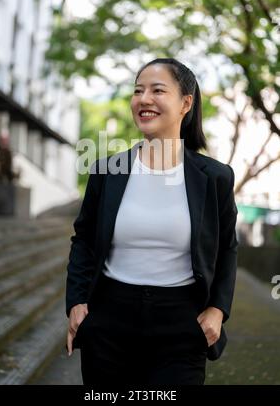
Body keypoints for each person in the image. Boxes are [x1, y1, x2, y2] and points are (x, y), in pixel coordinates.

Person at [66, 58, 239, 386]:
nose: (143, 99)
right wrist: (76, 302)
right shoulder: (107, 170)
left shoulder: (214, 177)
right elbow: (84, 240)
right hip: (109, 321)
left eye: (157, 90)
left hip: (182, 325)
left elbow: (227, 248)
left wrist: (218, 308)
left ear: (185, 103)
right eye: (137, 91)